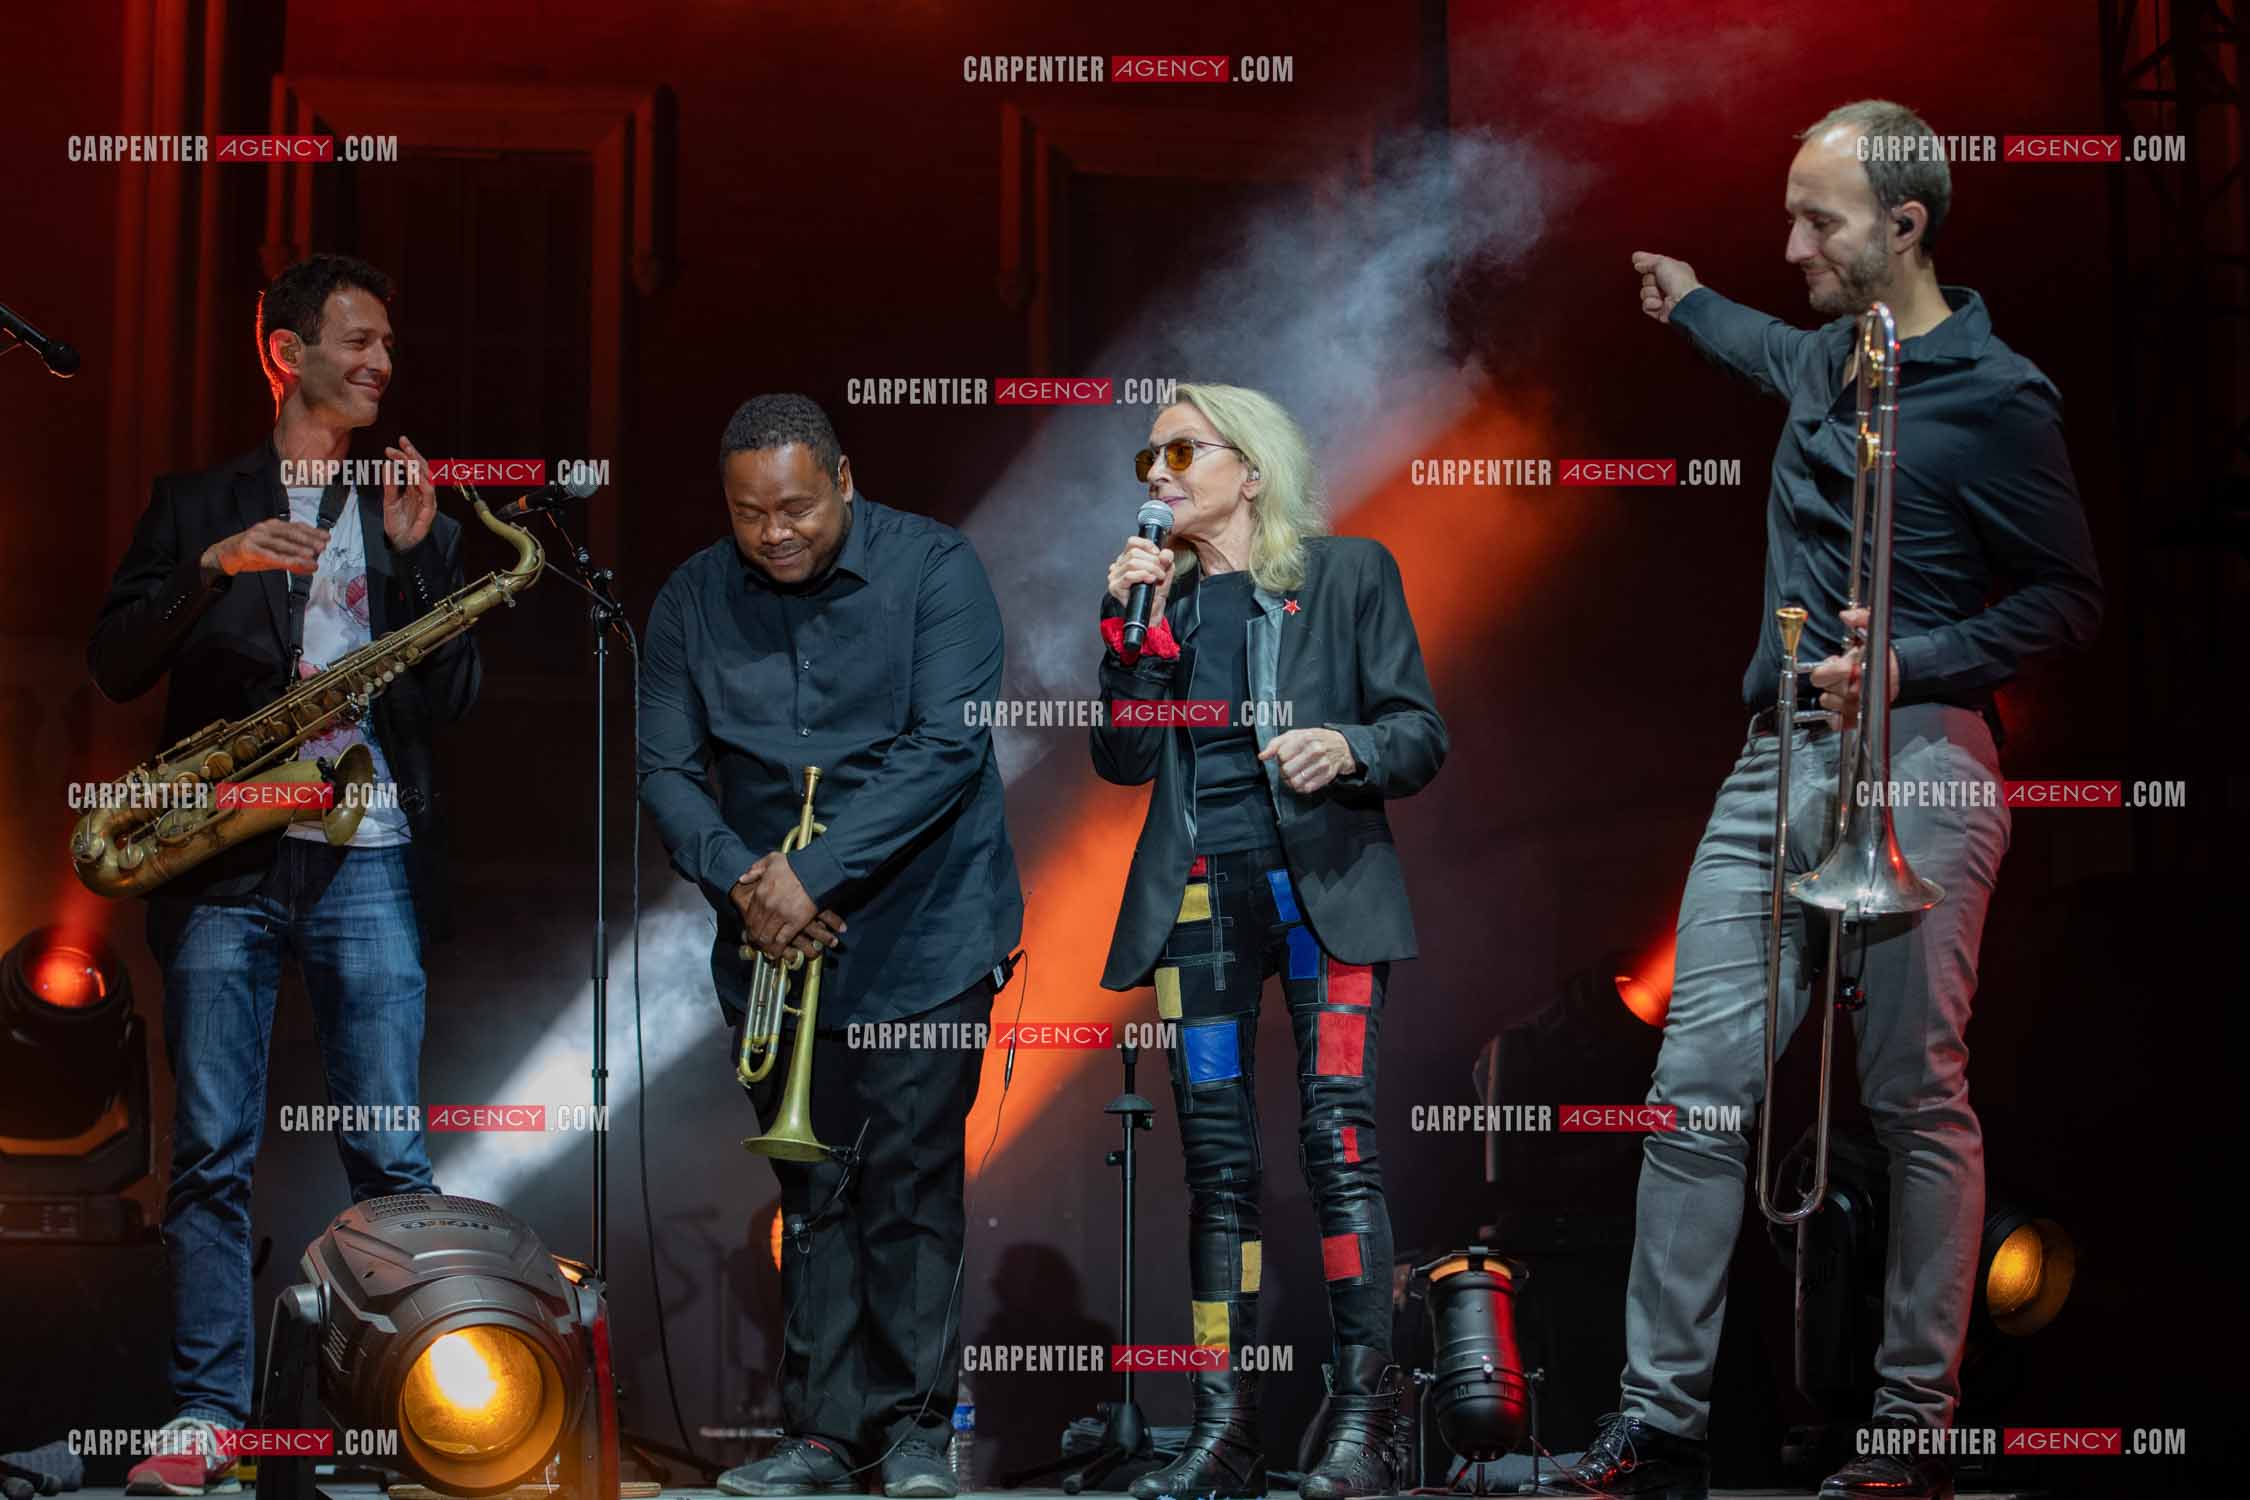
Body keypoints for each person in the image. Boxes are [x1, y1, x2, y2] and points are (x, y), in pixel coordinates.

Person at [1553, 101, 2102, 1500]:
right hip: (1775, 759)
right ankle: (1656, 1424)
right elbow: (1748, 337)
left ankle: (1910, 1429)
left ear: (1902, 229)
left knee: (1913, 1095)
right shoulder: (1821, 359)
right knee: (1692, 1094)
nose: (1790, 240)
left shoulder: (1997, 395)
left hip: (1917, 752)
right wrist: (1679, 300)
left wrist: (1914, 658)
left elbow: (2065, 598)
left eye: (1819, 220)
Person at [87, 253, 479, 1495]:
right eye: (356, 343)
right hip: (223, 862)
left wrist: (420, 565)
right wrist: (211, 571)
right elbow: (110, 663)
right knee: (208, 1149)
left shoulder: (414, 511)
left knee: (391, 1153)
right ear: (286, 353)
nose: (380, 366)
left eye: (386, 347)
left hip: (364, 854)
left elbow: (457, 699)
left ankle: (406, 1411)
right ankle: (205, 1417)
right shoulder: (195, 504)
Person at [637, 393, 1023, 1500]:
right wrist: (745, 879)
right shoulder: (692, 600)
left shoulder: (938, 570)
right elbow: (666, 769)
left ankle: (912, 1432)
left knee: (909, 1181)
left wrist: (811, 871)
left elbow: (947, 751)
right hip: (768, 933)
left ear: (845, 479)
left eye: (798, 507)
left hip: (926, 926)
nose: (776, 533)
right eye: (751, 514)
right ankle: (819, 1432)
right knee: (811, 1190)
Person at [1091, 383, 1447, 1500]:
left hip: (1323, 888)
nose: (1156, 471)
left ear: (1252, 470)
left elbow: (1419, 732)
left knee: (1338, 1141)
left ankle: (1361, 1420)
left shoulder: (1349, 574)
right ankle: (1224, 1423)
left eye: (1181, 449)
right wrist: (1132, 640)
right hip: (1198, 893)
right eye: (1146, 454)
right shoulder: (1164, 605)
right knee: (1218, 1168)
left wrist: (1346, 745)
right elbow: (1120, 761)